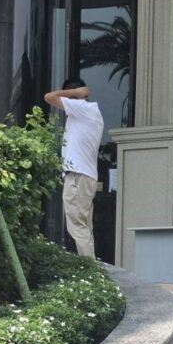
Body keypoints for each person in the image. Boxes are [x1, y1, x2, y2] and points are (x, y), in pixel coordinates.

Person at [44, 78, 104, 259]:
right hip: (85, 176)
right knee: (84, 226)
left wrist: (75, 93)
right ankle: (92, 267)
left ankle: (90, 269)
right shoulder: (90, 113)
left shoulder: (84, 109)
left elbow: (49, 97)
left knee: (77, 225)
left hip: (78, 176)